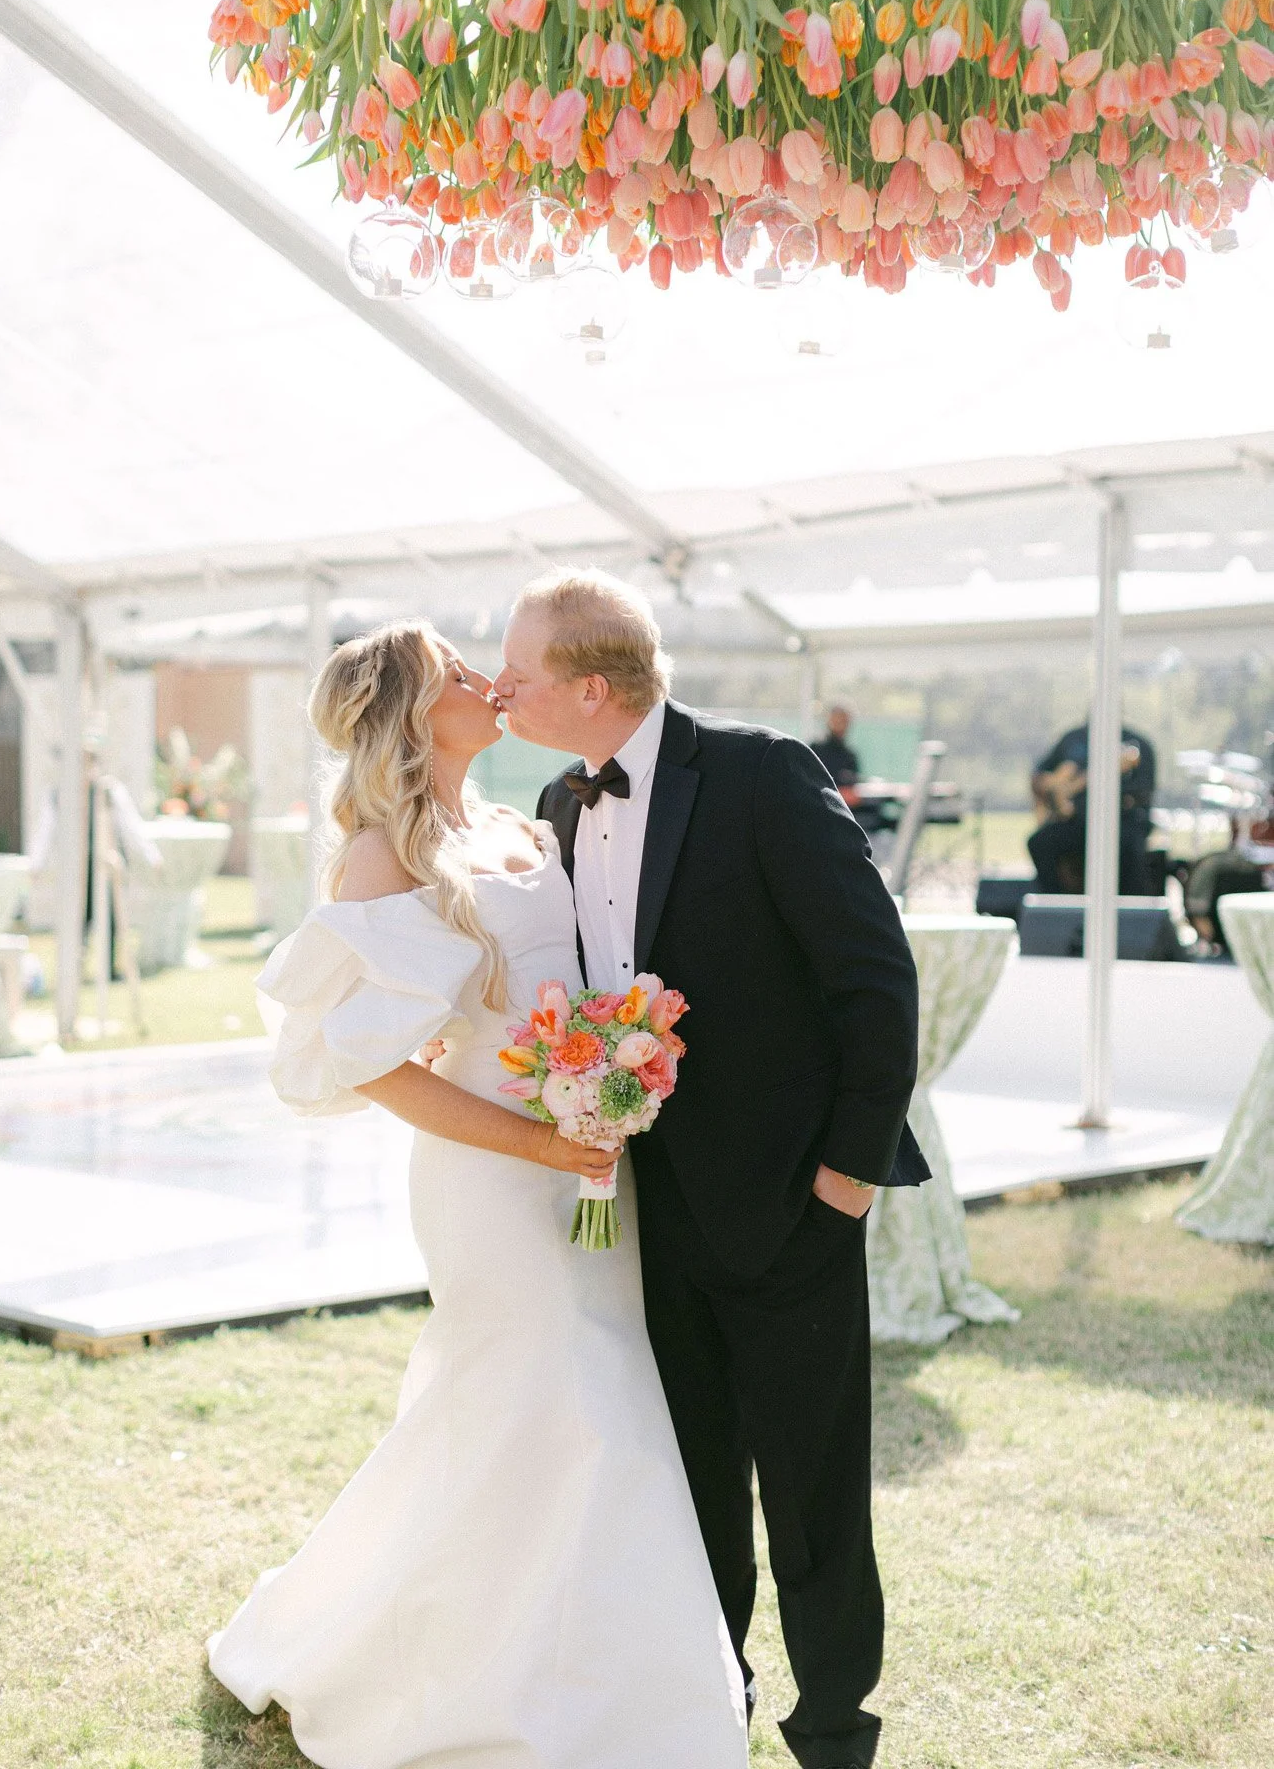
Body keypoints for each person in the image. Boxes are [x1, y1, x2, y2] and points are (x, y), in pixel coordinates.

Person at [207, 622, 748, 1769]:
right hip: (491, 1178)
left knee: (590, 1401)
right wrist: (541, 1143)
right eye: (459, 671)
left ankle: (606, 1677)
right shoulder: (381, 852)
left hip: (592, 1153)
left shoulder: (522, 825)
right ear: (410, 708)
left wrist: (616, 1067)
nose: (488, 680)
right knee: (544, 1392)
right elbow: (374, 1062)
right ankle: (475, 1678)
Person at [493, 569, 926, 1769]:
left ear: (590, 683)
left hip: (790, 1202)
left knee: (814, 1493)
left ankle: (835, 1728)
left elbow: (874, 976)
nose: (501, 683)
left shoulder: (759, 770)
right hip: (641, 1213)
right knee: (686, 1489)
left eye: (518, 667)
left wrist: (845, 1175)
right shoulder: (554, 797)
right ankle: (704, 1704)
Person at [1027, 719, 1157, 895]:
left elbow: (1143, 792)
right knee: (1039, 843)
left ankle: (1130, 910)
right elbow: (1041, 777)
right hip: (1076, 821)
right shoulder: (1072, 739)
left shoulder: (1136, 743)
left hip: (1121, 821)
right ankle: (1059, 904)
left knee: (1130, 849)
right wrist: (1059, 792)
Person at [811, 704, 861, 802]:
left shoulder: (850, 754)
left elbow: (854, 781)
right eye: (837, 720)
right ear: (829, 721)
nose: (841, 725)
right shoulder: (816, 749)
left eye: (844, 721)